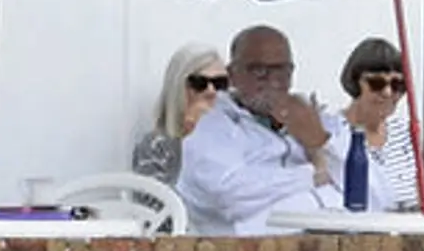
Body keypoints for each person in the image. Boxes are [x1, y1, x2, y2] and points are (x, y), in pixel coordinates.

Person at [177, 25, 355, 235]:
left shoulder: (308, 116)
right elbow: (232, 196)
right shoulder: (212, 125)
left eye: (282, 71)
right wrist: (313, 174)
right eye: (259, 71)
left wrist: (320, 142)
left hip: (322, 240)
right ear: (233, 74)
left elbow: (371, 191)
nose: (272, 81)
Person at [338, 37, 419, 212]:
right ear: (354, 81)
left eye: (397, 84)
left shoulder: (406, 132)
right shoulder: (333, 133)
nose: (388, 93)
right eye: (377, 84)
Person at [132, 43, 227, 186]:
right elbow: (154, 202)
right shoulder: (157, 145)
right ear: (178, 87)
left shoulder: (239, 139)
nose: (211, 91)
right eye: (199, 83)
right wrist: (191, 141)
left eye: (220, 83)